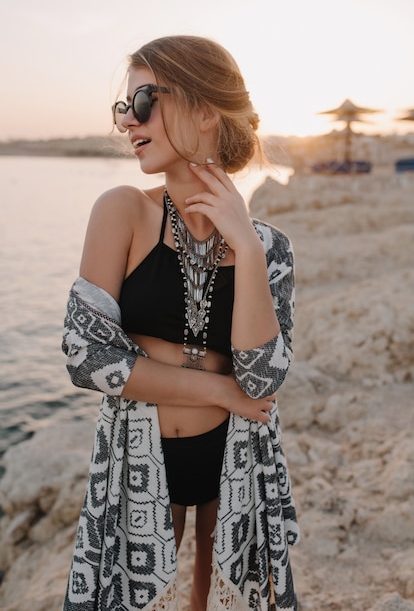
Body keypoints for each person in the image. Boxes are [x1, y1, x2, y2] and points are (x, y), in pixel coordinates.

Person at [62, 35, 299, 611]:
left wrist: (243, 241)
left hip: (236, 455)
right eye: (124, 108)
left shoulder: (270, 246)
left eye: (144, 101)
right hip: (138, 458)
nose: (128, 122)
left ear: (204, 110)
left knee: (218, 601)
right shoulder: (123, 211)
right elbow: (87, 357)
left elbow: (263, 379)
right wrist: (220, 388)